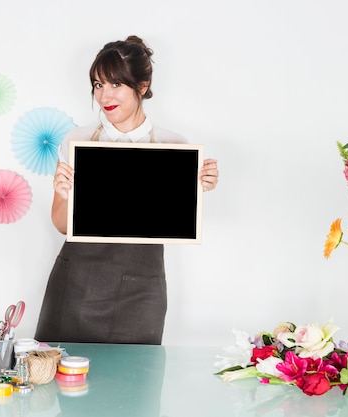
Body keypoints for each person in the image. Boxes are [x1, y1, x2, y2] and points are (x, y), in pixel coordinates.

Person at [34, 35, 219, 345]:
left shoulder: (172, 146)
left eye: (116, 84)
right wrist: (65, 194)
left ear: (142, 86)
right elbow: (62, 225)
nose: (105, 95)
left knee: (135, 387)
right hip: (77, 282)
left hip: (140, 289)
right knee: (65, 383)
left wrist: (199, 187)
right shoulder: (77, 141)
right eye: (98, 85)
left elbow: (175, 223)